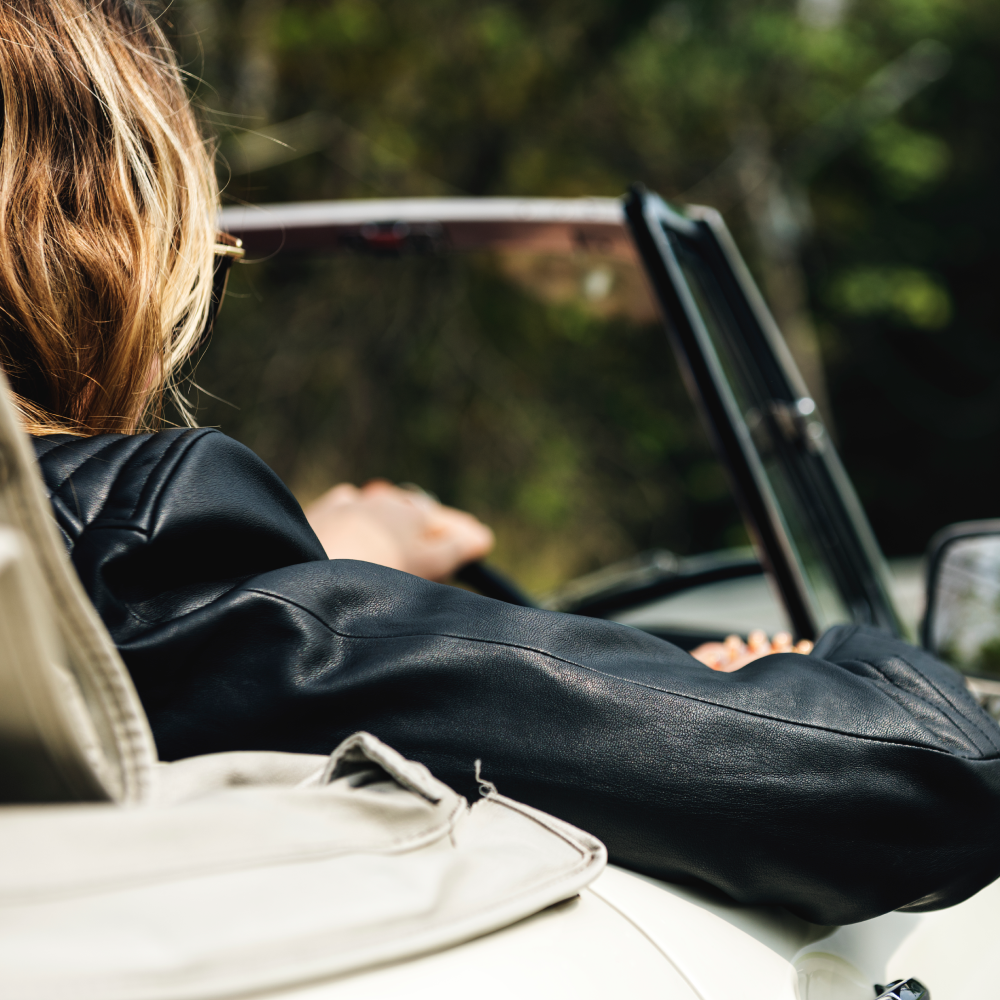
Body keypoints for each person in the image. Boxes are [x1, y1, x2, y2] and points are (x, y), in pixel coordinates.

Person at [4, 0, 1000, 928]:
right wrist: (818, 666)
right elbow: (922, 773)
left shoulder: (103, 577)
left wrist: (311, 571)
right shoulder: (125, 561)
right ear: (107, 245)